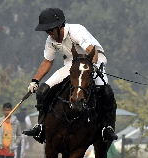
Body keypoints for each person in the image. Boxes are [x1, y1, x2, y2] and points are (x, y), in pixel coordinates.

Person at [23, 8, 118, 144]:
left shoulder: (76, 31)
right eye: (47, 31)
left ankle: (107, 127)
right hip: (72, 65)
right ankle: (41, 126)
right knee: (43, 91)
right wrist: (35, 81)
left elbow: (92, 52)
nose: (49, 34)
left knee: (105, 91)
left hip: (93, 61)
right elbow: (48, 61)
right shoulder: (50, 41)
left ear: (59, 26)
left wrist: (91, 68)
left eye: (51, 30)